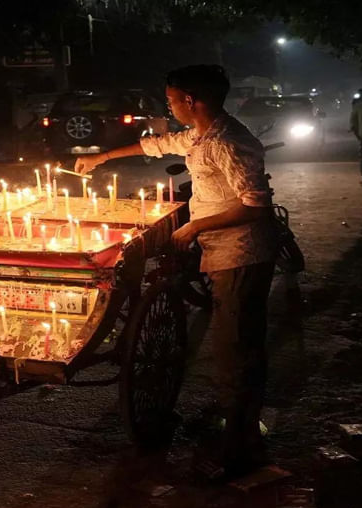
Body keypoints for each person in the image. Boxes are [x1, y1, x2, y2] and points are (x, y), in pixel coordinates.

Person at [75, 64, 276, 478]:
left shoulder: (229, 142)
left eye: (171, 99)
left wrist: (196, 225)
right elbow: (158, 145)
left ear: (191, 100)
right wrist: (102, 156)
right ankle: (239, 434)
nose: (168, 106)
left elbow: (255, 204)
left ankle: (238, 451)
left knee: (236, 349)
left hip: (241, 255)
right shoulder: (201, 136)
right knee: (232, 346)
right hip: (220, 252)